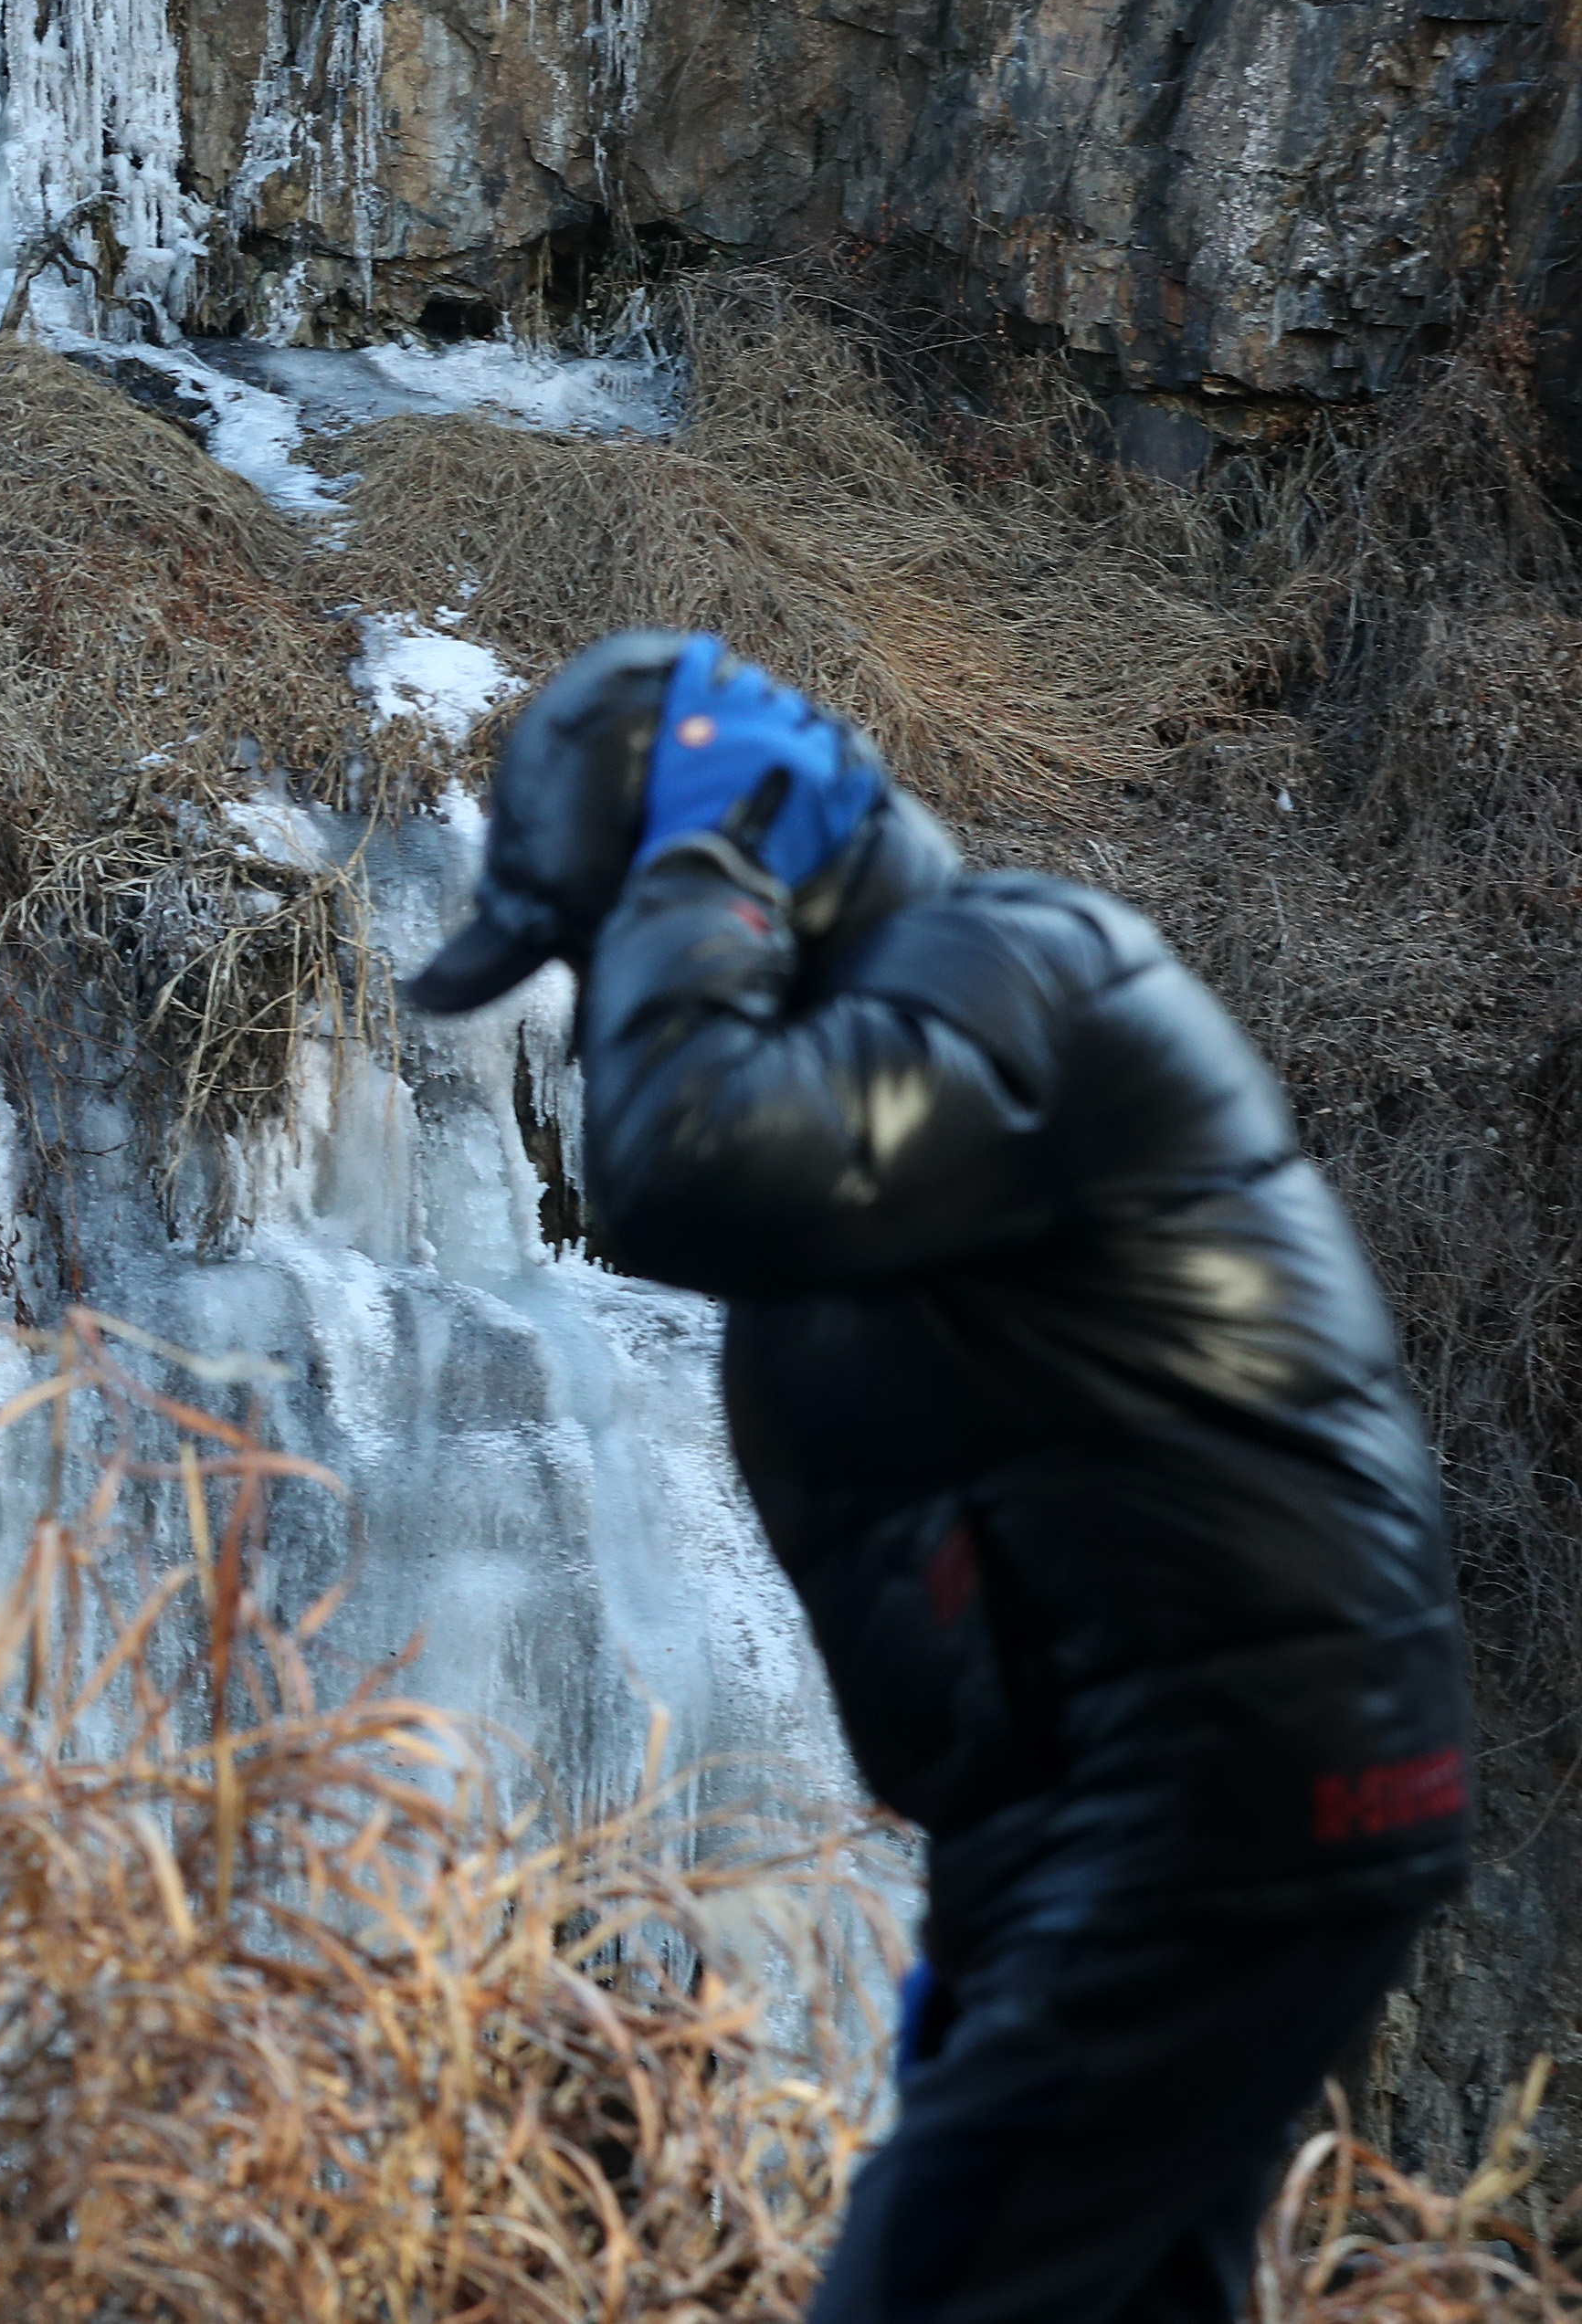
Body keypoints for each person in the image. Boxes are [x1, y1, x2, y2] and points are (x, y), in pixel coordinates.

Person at [407, 629, 1474, 2324]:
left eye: (605, 940)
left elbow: (681, 1167)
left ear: (750, 869)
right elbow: (1007, 1584)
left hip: (1225, 1796)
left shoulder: (1019, 969)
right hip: (1147, 1809)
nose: (601, 1000)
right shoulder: (891, 1090)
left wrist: (705, 860)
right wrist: (989, 1914)